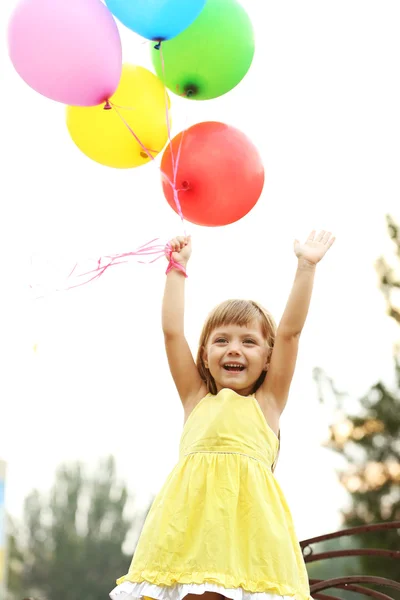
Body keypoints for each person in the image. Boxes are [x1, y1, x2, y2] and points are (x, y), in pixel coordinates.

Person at [110, 230, 335, 600]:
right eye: (221, 340)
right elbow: (171, 333)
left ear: (268, 358)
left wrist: (306, 267)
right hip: (188, 531)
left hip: (249, 537)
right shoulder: (195, 397)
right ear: (204, 355)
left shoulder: (269, 402)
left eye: (249, 341)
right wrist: (176, 269)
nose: (234, 349)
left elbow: (291, 333)